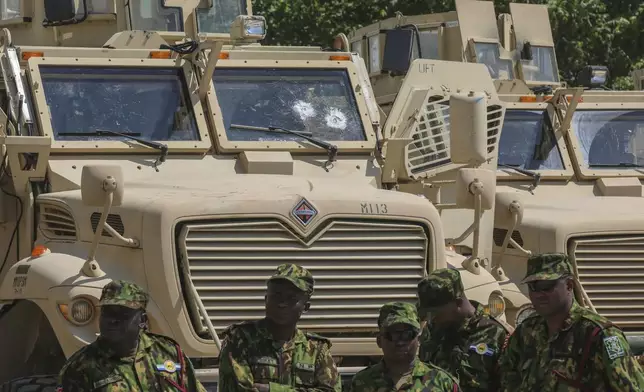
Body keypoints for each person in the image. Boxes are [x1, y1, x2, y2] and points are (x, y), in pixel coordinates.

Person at [499, 252, 644, 391]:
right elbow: (506, 377)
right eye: (532, 287)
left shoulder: (599, 335)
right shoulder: (526, 331)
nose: (538, 294)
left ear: (569, 285)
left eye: (546, 286)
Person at [57, 280, 207, 391]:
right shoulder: (80, 367)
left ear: (142, 320)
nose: (112, 320)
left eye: (123, 314)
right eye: (106, 312)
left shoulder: (168, 352)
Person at [218, 263, 341, 391]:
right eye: (276, 296)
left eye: (291, 298)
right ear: (266, 299)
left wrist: (270, 390)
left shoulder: (316, 349)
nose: (282, 304)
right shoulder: (240, 339)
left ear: (306, 306)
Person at [416, 268, 512, 392]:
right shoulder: (432, 331)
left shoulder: (496, 334)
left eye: (436, 313)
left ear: (459, 303)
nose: (431, 319)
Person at [347, 301, 461, 392]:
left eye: (408, 334)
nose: (400, 342)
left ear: (419, 339)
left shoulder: (441, 382)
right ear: (379, 341)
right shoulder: (361, 383)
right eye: (392, 335)